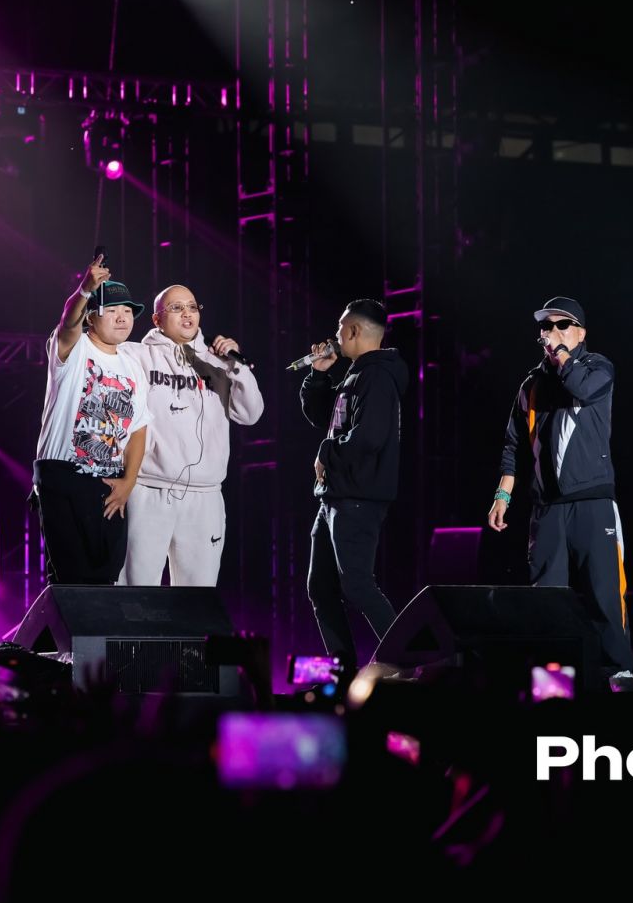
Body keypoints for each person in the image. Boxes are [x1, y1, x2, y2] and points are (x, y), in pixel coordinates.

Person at [488, 296, 633, 689]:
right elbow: (513, 444)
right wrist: (503, 496)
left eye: (562, 325)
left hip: (593, 500)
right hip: (548, 507)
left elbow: (583, 389)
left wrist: (561, 357)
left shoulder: (597, 368)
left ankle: (618, 669)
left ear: (581, 333)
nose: (552, 332)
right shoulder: (531, 384)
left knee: (605, 591)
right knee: (546, 594)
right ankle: (552, 675)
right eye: (546, 326)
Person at [119, 284, 263, 587]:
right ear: (157, 319)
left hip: (205, 495)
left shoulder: (218, 361)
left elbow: (251, 414)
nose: (187, 313)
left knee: (198, 596)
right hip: (148, 490)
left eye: (193, 307)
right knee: (136, 591)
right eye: (176, 308)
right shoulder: (137, 356)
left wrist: (235, 367)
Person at [298, 298, 407, 671]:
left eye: (340, 327)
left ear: (355, 330)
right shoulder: (357, 374)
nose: (336, 334)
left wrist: (326, 453)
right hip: (334, 497)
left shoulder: (378, 377)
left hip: (357, 498)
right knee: (321, 588)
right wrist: (318, 376)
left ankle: (412, 660)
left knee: (357, 585)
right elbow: (325, 418)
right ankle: (342, 673)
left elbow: (369, 438)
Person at [29, 253, 151, 585]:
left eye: (128, 311)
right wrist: (84, 290)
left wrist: (129, 482)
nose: (122, 317)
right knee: (71, 580)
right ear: (91, 318)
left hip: (109, 480)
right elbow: (69, 322)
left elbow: (139, 428)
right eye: (112, 310)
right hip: (64, 473)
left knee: (107, 578)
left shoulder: (132, 365)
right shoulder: (74, 347)